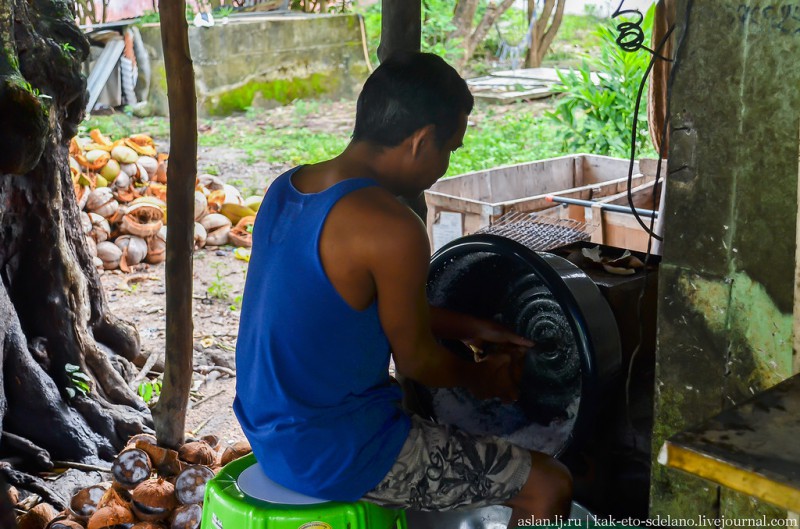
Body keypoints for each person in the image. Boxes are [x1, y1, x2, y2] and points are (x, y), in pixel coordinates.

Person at [233, 52, 572, 526]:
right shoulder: (392, 227)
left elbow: (349, 304)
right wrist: (487, 380)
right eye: (449, 148)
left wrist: (474, 327)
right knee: (549, 485)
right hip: (333, 454)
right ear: (421, 141)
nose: (445, 163)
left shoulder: (287, 189)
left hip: (269, 430)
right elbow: (418, 360)